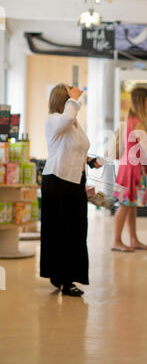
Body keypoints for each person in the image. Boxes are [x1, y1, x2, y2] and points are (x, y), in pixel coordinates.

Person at [40, 84, 102, 297]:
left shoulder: (73, 124)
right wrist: (74, 99)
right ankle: (64, 280)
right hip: (57, 181)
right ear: (64, 101)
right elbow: (66, 119)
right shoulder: (55, 120)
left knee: (76, 230)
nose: (75, 103)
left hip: (74, 180)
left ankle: (65, 276)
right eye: (70, 99)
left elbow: (74, 148)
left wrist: (90, 160)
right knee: (62, 231)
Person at [112, 87, 147, 252]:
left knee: (131, 205)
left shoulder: (131, 118)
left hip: (130, 165)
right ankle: (116, 241)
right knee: (124, 204)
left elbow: (138, 140)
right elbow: (145, 147)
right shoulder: (138, 122)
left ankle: (133, 239)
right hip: (131, 168)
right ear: (142, 101)